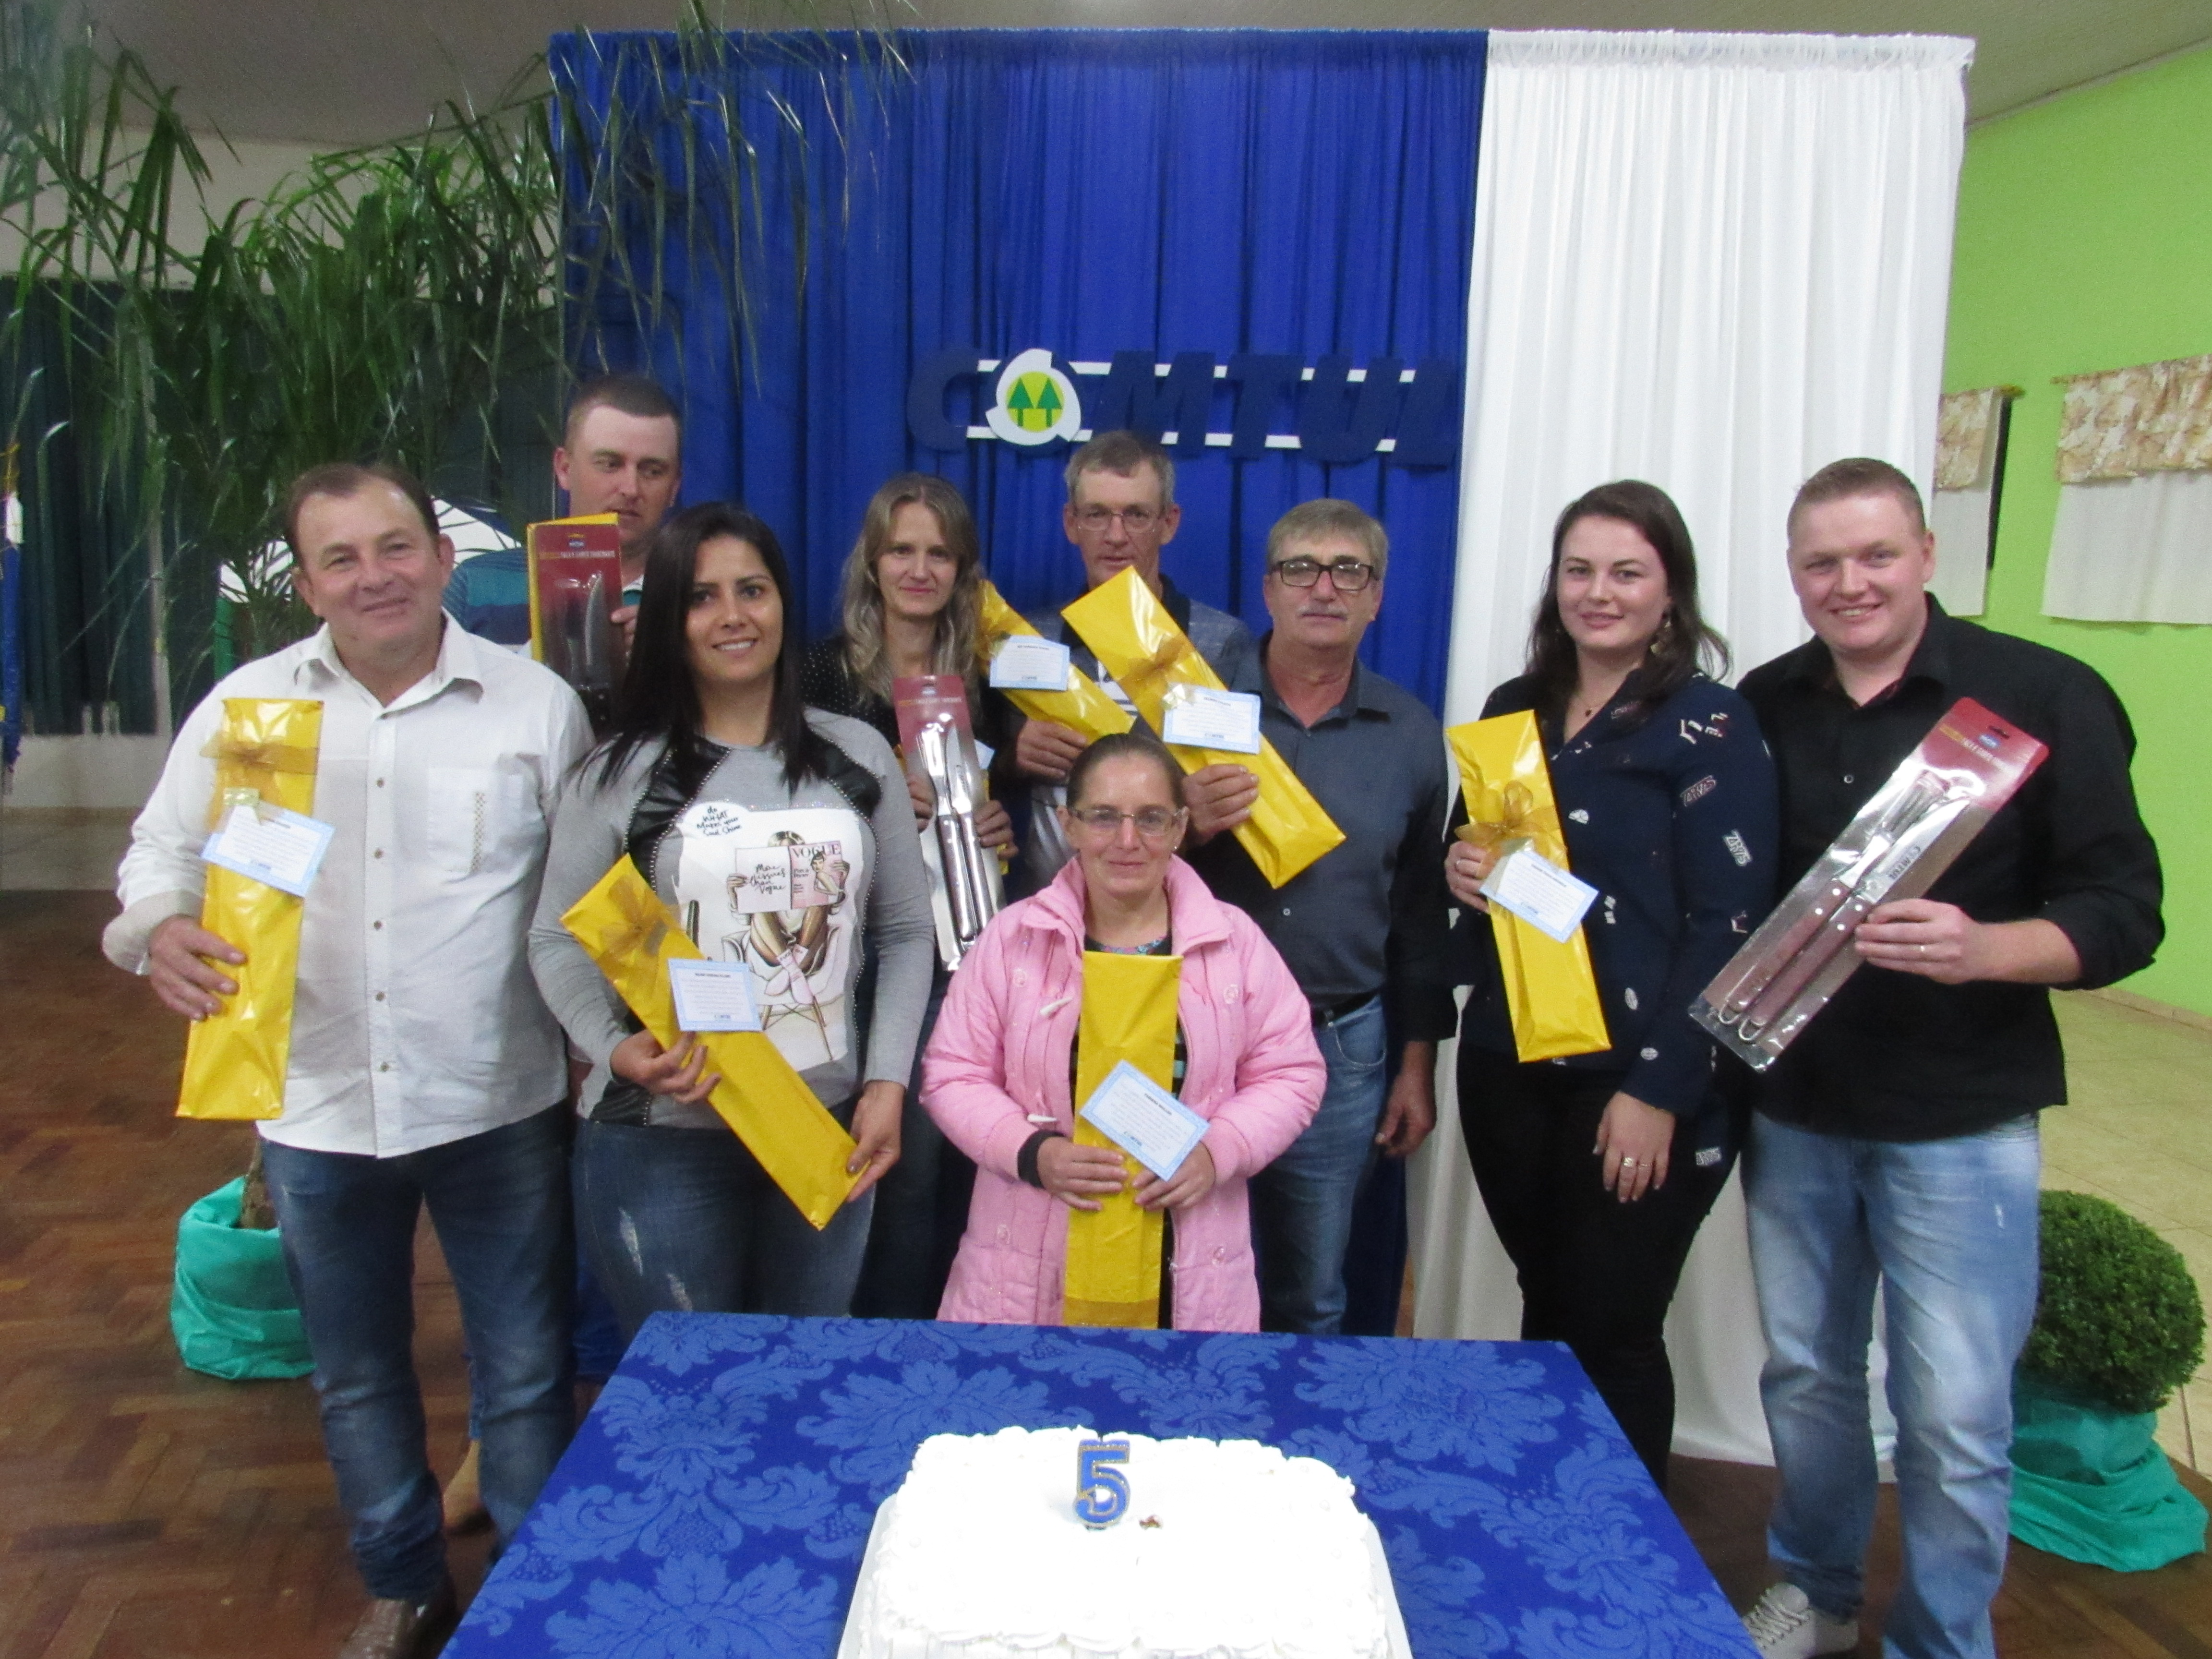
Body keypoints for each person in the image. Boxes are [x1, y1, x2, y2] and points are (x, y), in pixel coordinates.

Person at [105, 463, 591, 1659]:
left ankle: (529, 1595)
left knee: (525, 1367)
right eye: (340, 557)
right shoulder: (245, 709)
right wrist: (157, 927)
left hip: (497, 1099)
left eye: (394, 546)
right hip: (317, 1105)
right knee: (357, 1374)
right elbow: (158, 854)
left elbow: (586, 895)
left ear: (442, 555)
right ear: (307, 584)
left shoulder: (534, 707)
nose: (374, 575)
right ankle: (405, 1588)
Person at [1734, 459, 2161, 1659]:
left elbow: (2126, 912)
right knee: (1807, 1377)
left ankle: (1941, 1638)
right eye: (1822, 562)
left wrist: (1988, 948)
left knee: (1958, 1416)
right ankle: (1816, 1592)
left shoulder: (2043, 694)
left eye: (1876, 554)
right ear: (1794, 574)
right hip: (1799, 1108)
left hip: (1964, 1120)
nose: (1851, 582)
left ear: (1927, 552)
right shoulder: (1764, 703)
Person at [528, 502, 935, 1334]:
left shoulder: (858, 755)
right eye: (702, 597)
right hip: (661, 1140)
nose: (733, 616)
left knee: (804, 1374)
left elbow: (903, 932)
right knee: (690, 1384)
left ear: (783, 601)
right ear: (669, 619)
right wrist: (612, 1048)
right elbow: (554, 938)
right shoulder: (617, 773)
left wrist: (888, 1083)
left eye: (752, 590)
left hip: (825, 1127)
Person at [1443, 480, 1777, 1489]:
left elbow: (1730, 923)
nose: (1599, 592)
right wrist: (1461, 870)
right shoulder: (1514, 708)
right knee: (1548, 1301)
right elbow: (1480, 863)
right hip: (1510, 1058)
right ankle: (1550, 1519)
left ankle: (1624, 1545)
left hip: (1638, 1075)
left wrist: (1659, 1092)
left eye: (1627, 572)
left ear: (1670, 592)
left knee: (1615, 1324)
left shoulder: (1711, 724)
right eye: (1579, 570)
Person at [925, 731, 1326, 1329]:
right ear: (1069, 824)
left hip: (1190, 1259)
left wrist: (1217, 1153)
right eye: (1104, 817)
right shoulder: (1012, 939)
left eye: (1152, 818)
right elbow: (952, 1074)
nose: (1128, 841)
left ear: (1181, 826)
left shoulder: (1235, 943)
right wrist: (1033, 1153)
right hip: (1028, 1259)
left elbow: (1291, 1073)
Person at [1180, 499, 1452, 1336]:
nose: (1323, 588)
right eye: (1301, 568)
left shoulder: (1411, 734)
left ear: (1377, 597)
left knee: (1310, 1294)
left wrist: (1415, 1067)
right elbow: (1116, 868)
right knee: (1178, 1276)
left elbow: (1420, 917)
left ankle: (1294, 1425)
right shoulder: (1193, 708)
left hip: (1340, 1045)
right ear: (1268, 589)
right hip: (1193, 1036)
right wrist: (1182, 823)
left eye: (1348, 571)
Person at [800, 472, 1015, 1318]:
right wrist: (872, 794)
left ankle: (914, 1340)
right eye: (901, 551)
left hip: (953, 956)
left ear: (963, 571)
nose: (919, 570)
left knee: (926, 1178)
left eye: (938, 553)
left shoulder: (987, 682)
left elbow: (1009, 809)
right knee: (843, 1170)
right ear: (872, 562)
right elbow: (782, 808)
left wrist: (998, 821)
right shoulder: (818, 673)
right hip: (840, 962)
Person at [1008, 431, 1258, 886]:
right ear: (1071, 522)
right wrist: (1013, 755)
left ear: (1169, 523)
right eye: (1096, 514)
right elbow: (982, 770)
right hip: (1049, 908)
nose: (1116, 536)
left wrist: (1196, 813)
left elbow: (1243, 791)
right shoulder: (1030, 639)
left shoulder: (1221, 643)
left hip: (1170, 906)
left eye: (1137, 515)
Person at [445, 373, 683, 649]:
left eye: (652, 471)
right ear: (564, 468)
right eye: (610, 464)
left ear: (675, 487)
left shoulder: (705, 596)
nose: (631, 489)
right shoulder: (476, 586)